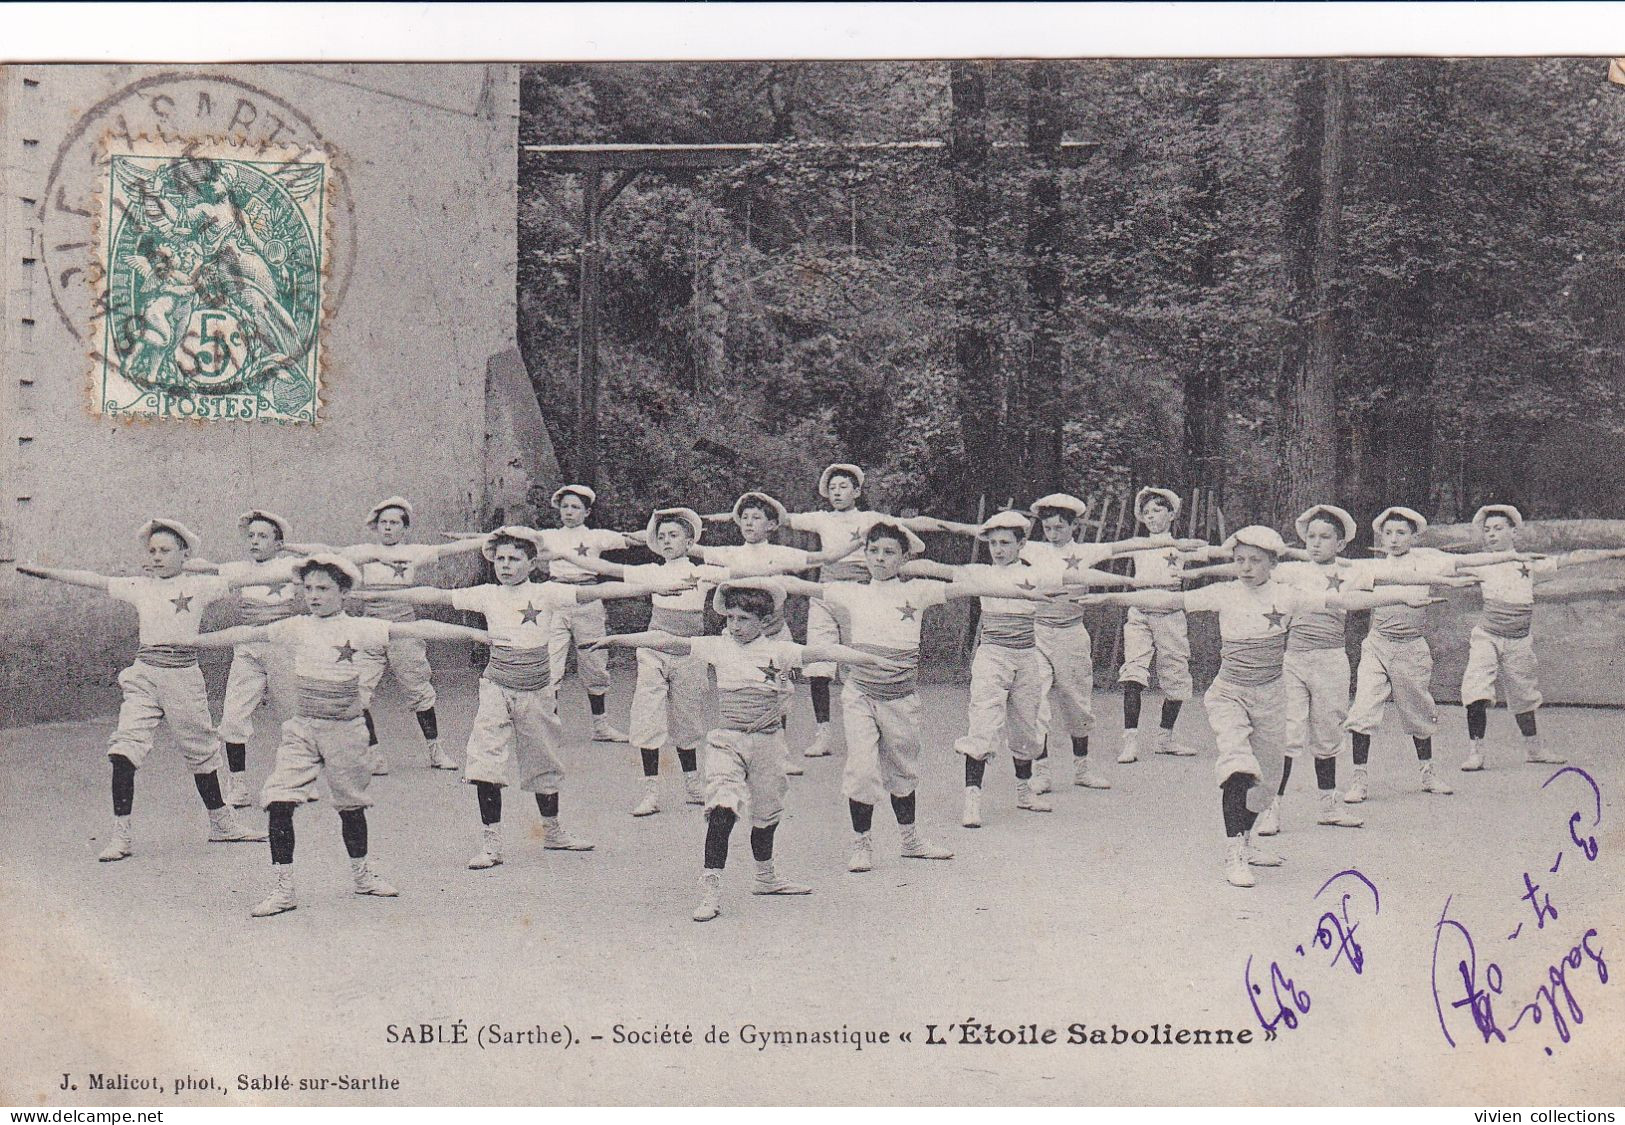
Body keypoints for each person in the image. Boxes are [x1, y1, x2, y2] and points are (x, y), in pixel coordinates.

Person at [1074, 526, 1440, 887]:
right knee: (1238, 766)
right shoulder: (1224, 593)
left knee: (1264, 786)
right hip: (1229, 694)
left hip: (1271, 696)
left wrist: (1400, 597)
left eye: (1255, 561)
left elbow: (1345, 601)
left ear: (1273, 563)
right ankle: (1234, 852)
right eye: (1239, 560)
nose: (1246, 567)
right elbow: (1169, 600)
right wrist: (1112, 599)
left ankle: (1248, 844)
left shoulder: (1288, 595)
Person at [369, 527, 691, 870]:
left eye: (515, 558)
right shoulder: (486, 594)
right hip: (497, 688)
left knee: (544, 760)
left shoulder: (548, 593)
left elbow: (601, 590)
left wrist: (653, 586)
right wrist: (371, 591)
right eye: (500, 558)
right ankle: (491, 844)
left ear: (532, 562)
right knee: (486, 760)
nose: (505, 565)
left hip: (536, 692)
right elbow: (433, 596)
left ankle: (551, 831)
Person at [192, 555, 492, 918]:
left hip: (346, 731)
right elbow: (244, 633)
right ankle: (283, 888)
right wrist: (188, 640)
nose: (314, 596)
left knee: (351, 807)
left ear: (344, 592)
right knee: (277, 802)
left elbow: (420, 629)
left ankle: (362, 876)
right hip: (302, 731)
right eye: (308, 589)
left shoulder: (363, 628)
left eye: (323, 589)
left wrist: (475, 633)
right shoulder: (296, 626)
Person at [588, 578, 895, 921]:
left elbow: (825, 652)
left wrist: (870, 659)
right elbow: (666, 640)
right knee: (722, 808)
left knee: (766, 815)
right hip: (727, 742)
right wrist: (616, 640)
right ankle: (710, 888)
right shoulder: (718, 646)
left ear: (764, 621)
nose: (734, 625)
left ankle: (766, 878)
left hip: (767, 743)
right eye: (730, 617)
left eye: (743, 619)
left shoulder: (779, 651)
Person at [771, 520, 1056, 871]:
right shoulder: (850, 591)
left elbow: (973, 587)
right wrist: (750, 576)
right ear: (864, 555)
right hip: (860, 695)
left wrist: (1028, 594)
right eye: (873, 551)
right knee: (861, 770)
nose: (880, 559)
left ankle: (910, 839)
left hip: (901, 698)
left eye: (889, 552)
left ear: (904, 557)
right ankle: (861, 843)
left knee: (902, 769)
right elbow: (796, 584)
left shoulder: (918, 590)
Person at [1182, 504, 1476, 833]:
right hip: (1292, 660)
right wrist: (1196, 568)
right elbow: (1242, 569)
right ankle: (1272, 810)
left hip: (1331, 660)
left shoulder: (1352, 571)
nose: (1317, 543)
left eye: (1325, 537)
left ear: (1340, 544)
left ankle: (1329, 806)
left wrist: (1437, 581)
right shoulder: (1290, 571)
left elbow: (1399, 576)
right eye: (1311, 537)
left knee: (1328, 732)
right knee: (1289, 735)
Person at [17, 519, 266, 862]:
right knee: (124, 750)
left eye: (166, 550)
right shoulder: (138, 585)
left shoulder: (201, 585)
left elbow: (253, 576)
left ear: (185, 554)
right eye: (153, 551)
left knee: (202, 754)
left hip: (183, 677)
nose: (158, 557)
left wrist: (309, 572)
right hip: (144, 677)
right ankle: (122, 835)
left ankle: (222, 824)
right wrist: (46, 572)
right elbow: (96, 580)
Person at [929, 493, 1204, 792]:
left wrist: (1175, 544)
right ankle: (1042, 772)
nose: (1053, 532)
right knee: (1036, 703)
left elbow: (1132, 545)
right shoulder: (1031, 548)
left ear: (1072, 525)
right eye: (1048, 527)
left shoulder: (1087, 551)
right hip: (1037, 635)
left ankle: (1081, 768)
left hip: (1071, 634)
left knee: (1077, 706)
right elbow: (969, 530)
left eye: (1060, 527)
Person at [566, 507, 816, 816]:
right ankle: (651, 791)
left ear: (689, 542)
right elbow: (605, 567)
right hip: (654, 648)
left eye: (674, 535)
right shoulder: (651, 571)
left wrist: (777, 573)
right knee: (648, 717)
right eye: (661, 536)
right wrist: (561, 554)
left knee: (688, 717)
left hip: (690, 652)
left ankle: (692, 783)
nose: (667, 541)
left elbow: (743, 573)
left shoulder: (702, 571)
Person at [1342, 505, 1533, 802]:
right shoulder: (1371, 567)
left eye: (1401, 533)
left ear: (1414, 536)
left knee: (1419, 712)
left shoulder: (1430, 560)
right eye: (1388, 533)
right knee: (1363, 711)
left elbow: (1467, 561)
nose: (1393, 539)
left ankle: (1427, 773)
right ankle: (1358, 781)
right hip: (1377, 645)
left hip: (1412, 648)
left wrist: (1510, 556)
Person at [904, 511, 1077, 828]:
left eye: (1005, 543)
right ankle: (972, 802)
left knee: (1027, 726)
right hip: (992, 656)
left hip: (1026, 656)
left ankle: (1024, 792)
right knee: (983, 724)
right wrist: (897, 561)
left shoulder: (1038, 573)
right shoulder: (977, 572)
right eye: (993, 543)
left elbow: (1077, 579)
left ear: (1021, 544)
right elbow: (933, 568)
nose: (998, 549)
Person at [777, 464, 939, 759]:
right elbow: (779, 518)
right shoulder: (821, 519)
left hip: (861, 594)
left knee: (859, 660)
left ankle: (866, 727)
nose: (838, 492)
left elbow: (914, 524)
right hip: (826, 593)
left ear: (857, 491)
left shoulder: (870, 518)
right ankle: (823, 732)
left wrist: (965, 529)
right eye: (833, 487)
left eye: (844, 486)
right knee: (819, 663)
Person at [1453, 504, 1625, 772]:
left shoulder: (1528, 563)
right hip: (1487, 637)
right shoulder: (1480, 563)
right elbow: (1441, 567)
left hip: (1519, 640)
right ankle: (1476, 752)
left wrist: (1615, 552)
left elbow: (1572, 558)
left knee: (1523, 695)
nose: (1492, 535)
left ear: (1513, 532)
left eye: (1498, 529)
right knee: (1476, 690)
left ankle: (1534, 749)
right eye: (1487, 530)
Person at [693, 490, 856, 773]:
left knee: (781, 690)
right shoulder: (730, 553)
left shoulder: (781, 553)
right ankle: (735, 749)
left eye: (757, 517)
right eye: (744, 517)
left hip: (776, 634)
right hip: (739, 636)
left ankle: (778, 752)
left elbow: (823, 558)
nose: (749, 522)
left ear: (771, 524)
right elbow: (692, 549)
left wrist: (859, 542)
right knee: (737, 687)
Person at [340, 496, 487, 773]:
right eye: (384, 522)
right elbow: (325, 552)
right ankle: (372, 754)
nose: (388, 528)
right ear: (376, 526)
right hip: (369, 630)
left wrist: (488, 538)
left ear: (404, 528)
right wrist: (285, 546)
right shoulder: (364, 552)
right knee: (355, 693)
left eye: (394, 523)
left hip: (404, 630)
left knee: (419, 691)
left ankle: (436, 751)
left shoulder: (412, 552)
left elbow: (449, 550)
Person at [185, 509, 320, 808]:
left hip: (283, 647)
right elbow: (202, 567)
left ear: (278, 542)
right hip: (247, 648)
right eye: (251, 536)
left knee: (294, 716)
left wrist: (290, 547)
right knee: (233, 718)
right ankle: (239, 786)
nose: (255, 541)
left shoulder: (290, 565)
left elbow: (322, 556)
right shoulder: (238, 569)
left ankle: (302, 778)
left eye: (263, 536)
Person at [1114, 488, 1227, 764]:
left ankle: (1166, 737)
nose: (1152, 516)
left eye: (1158, 510)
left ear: (1172, 513)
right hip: (1140, 614)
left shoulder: (1179, 547)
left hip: (1170, 614)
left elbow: (1210, 550)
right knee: (1134, 672)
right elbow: (1108, 550)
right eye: (1147, 512)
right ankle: (1130, 741)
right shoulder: (1137, 544)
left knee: (1176, 675)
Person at [532, 485, 648, 744]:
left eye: (575, 507)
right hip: (554, 598)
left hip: (588, 600)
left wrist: (665, 529)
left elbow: (632, 539)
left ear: (587, 512)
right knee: (550, 664)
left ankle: (601, 727)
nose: (569, 512)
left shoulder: (596, 536)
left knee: (594, 664)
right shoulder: (547, 536)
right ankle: (549, 728)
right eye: (565, 507)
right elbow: (512, 539)